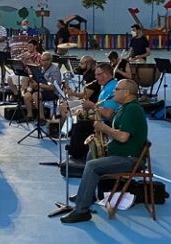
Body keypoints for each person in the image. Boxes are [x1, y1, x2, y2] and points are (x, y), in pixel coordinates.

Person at [61, 79, 149, 224]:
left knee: (92, 165)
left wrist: (103, 128)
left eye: (117, 89)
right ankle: (88, 195)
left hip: (130, 158)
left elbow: (122, 137)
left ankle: (81, 211)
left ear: (126, 93)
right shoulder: (124, 108)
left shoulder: (133, 109)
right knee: (91, 154)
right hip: (120, 153)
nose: (114, 92)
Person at [65, 63, 117, 162]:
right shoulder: (108, 85)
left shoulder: (111, 88)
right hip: (104, 119)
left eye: (98, 75)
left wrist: (92, 106)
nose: (96, 77)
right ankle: (80, 151)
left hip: (109, 123)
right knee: (80, 123)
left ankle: (77, 155)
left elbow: (107, 114)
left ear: (105, 74)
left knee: (79, 127)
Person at [22, 51, 62, 123]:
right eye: (41, 59)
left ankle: (42, 118)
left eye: (43, 60)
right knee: (27, 95)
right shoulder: (41, 68)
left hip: (52, 92)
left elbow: (53, 88)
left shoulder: (55, 70)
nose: (41, 61)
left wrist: (38, 85)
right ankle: (29, 115)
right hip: (41, 89)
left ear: (49, 60)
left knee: (35, 95)